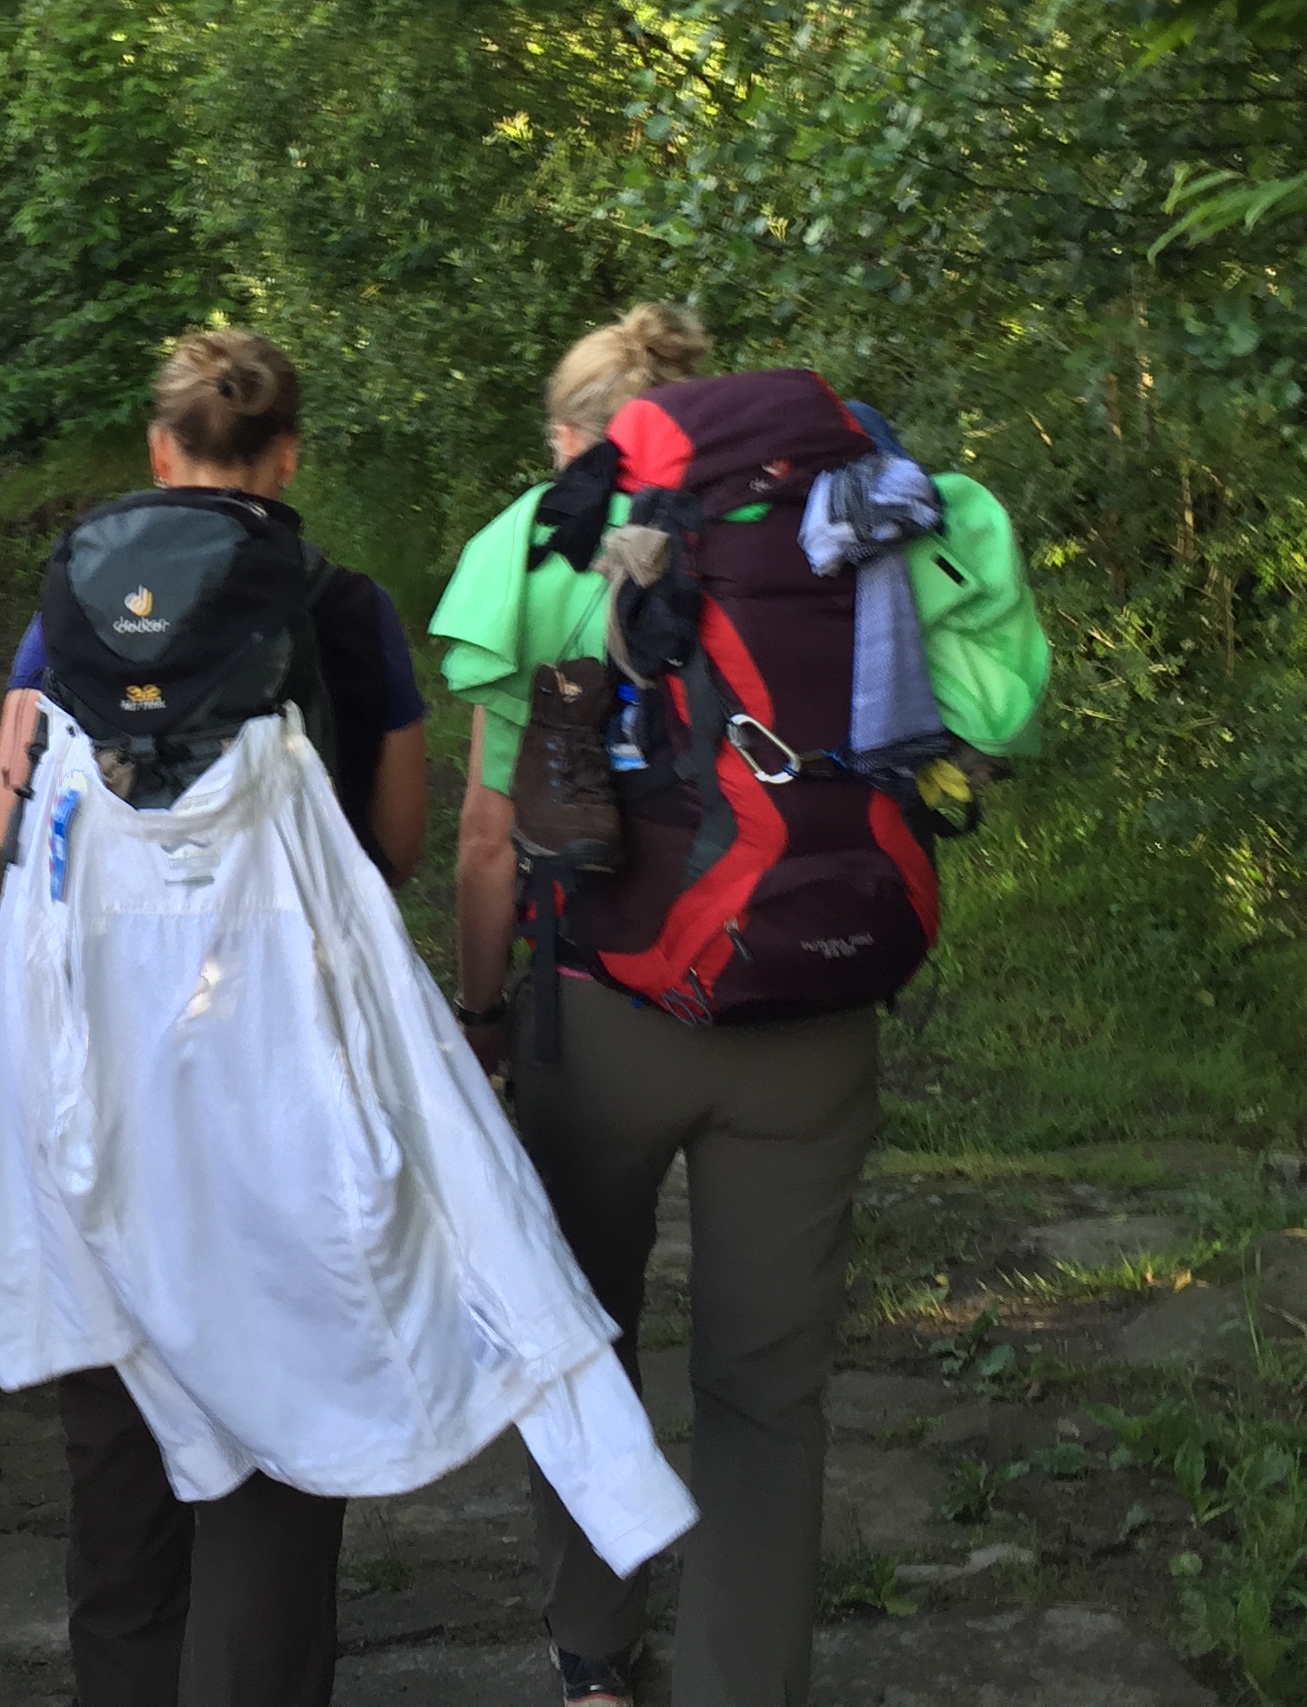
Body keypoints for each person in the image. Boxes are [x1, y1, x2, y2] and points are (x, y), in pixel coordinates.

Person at [0, 329, 433, 1707]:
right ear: (288, 459)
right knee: (285, 1413)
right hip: (288, 1078)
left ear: (159, 453)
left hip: (108, 1079)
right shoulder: (346, 611)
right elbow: (396, 847)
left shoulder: (75, 615)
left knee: (118, 1449)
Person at [433, 305, 892, 1707]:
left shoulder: (540, 539)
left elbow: (491, 835)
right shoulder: (836, 523)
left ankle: (594, 1652)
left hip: (602, 1008)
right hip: (810, 997)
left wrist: (482, 1012)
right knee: (769, 1387)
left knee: (584, 1342)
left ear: (582, 435)